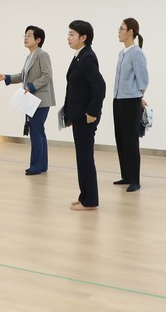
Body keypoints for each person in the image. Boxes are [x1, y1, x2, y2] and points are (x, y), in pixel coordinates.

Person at [0, 25, 55, 175]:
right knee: (38, 131)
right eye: (25, 35)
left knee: (36, 131)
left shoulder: (42, 55)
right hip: (32, 101)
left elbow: (47, 75)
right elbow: (22, 76)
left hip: (41, 100)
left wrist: (32, 86)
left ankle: (36, 166)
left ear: (38, 40)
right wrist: (6, 77)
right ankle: (42, 165)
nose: (25, 38)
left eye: (29, 35)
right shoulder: (29, 57)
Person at [62, 20, 106, 211]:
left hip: (86, 117)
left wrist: (92, 113)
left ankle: (90, 201)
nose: (68, 37)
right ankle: (84, 196)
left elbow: (99, 86)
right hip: (78, 115)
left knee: (85, 158)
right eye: (69, 34)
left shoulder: (87, 58)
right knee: (82, 157)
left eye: (72, 34)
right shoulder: (79, 56)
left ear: (83, 37)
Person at [113, 18, 150, 193]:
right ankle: (126, 176)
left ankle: (135, 180)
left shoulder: (137, 53)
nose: (119, 31)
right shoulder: (122, 53)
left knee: (130, 141)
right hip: (118, 100)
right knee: (120, 139)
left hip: (130, 102)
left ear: (130, 32)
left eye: (122, 28)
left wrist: (139, 97)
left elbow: (143, 80)